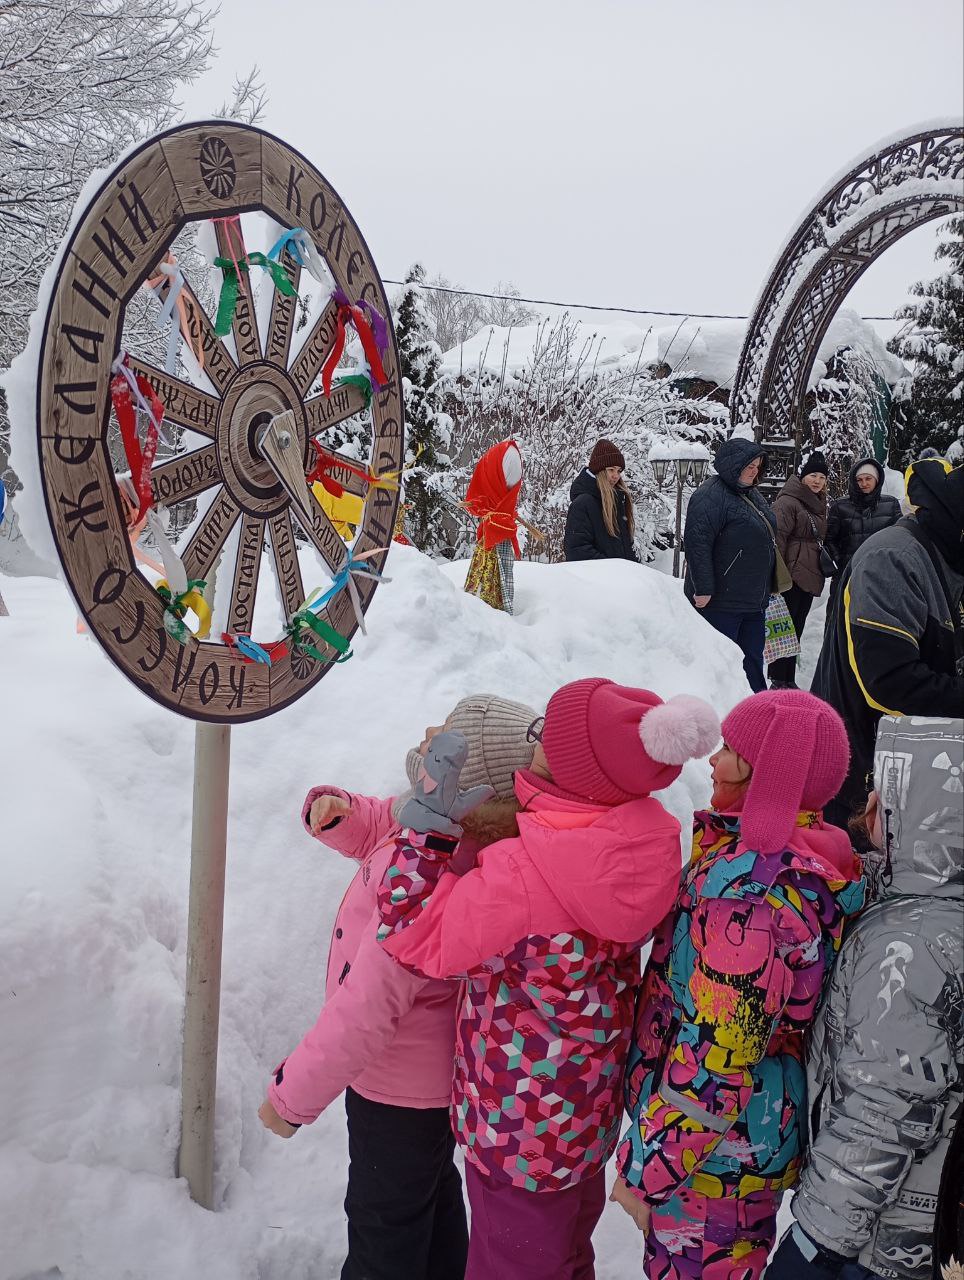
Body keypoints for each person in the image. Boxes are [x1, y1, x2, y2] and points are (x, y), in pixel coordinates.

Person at [376, 680, 721, 1280]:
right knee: (565, 1256)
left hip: (516, 1134)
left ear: (572, 770)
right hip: (583, 1117)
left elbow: (412, 933)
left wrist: (428, 824)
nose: (532, 740)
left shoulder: (523, 872)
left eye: (545, 737)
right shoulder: (644, 846)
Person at [258, 694, 540, 1280]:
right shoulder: (446, 840)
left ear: (467, 789)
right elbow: (389, 821)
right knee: (429, 1196)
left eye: (447, 737)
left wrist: (291, 1099)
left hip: (394, 1090)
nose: (431, 730)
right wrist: (342, 814)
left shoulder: (428, 882)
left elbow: (366, 1009)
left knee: (384, 1227)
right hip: (436, 1085)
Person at [609, 689, 866, 1280]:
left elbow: (719, 1058)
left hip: (713, 1160)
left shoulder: (750, 903)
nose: (712, 761)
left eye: (728, 751)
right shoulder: (808, 855)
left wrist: (648, 1169)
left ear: (768, 776)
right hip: (743, 1136)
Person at [768, 714, 963, 1280]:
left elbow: (881, 1115)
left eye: (889, 792)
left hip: (877, 1238)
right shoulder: (934, 909)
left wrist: (816, 1242)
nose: (871, 801)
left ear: (931, 813)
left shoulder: (912, 949)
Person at [812, 458, 964, 830]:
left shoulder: (949, 556)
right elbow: (891, 684)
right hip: (864, 780)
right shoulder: (893, 559)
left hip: (920, 775)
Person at [683, 437, 776, 693]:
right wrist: (703, 588)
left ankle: (756, 708)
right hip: (722, 602)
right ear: (733, 465)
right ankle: (723, 710)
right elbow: (697, 544)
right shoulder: (709, 496)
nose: (754, 472)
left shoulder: (751, 494)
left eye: (758, 466)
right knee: (722, 664)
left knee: (753, 663)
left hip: (752, 600)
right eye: (749, 466)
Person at [768, 450, 830, 689]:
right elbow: (778, 539)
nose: (817, 481)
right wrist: (776, 576)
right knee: (784, 628)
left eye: (822, 477)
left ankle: (788, 678)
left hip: (808, 574)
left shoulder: (817, 503)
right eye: (813, 475)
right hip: (791, 575)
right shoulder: (789, 501)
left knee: (796, 628)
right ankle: (778, 678)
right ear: (803, 476)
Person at [820, 457, 902, 626]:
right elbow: (829, 539)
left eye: (868, 478)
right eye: (859, 479)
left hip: (880, 575)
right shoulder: (840, 506)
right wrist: (841, 562)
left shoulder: (891, 505)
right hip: (846, 575)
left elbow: (898, 538)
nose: (864, 483)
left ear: (877, 479)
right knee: (838, 620)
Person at [564, 439, 639, 562]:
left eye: (619, 471)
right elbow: (577, 551)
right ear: (599, 470)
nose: (616, 476)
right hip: (600, 574)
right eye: (611, 469)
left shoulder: (618, 500)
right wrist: (613, 568)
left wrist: (633, 568)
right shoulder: (583, 504)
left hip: (621, 573)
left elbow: (625, 548)